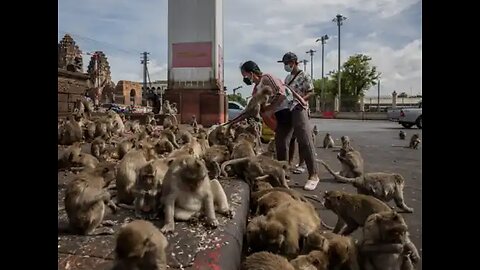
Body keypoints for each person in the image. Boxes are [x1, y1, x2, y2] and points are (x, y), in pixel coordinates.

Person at [240, 60, 320, 191]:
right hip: (282, 114)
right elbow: (255, 107)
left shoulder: (267, 78)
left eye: (245, 76)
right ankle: (284, 173)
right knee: (281, 143)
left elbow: (281, 94)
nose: (245, 79)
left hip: (294, 107)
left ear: (252, 73)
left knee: (304, 138)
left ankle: (313, 175)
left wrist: (270, 108)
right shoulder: (256, 89)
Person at [278, 52, 316, 175]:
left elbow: (311, 92)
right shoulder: (287, 78)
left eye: (287, 63)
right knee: (291, 138)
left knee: (302, 138)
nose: (285, 66)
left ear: (294, 63)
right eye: (284, 64)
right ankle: (288, 163)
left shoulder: (304, 75)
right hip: (289, 110)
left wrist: (301, 100)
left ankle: (302, 164)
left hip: (300, 109)